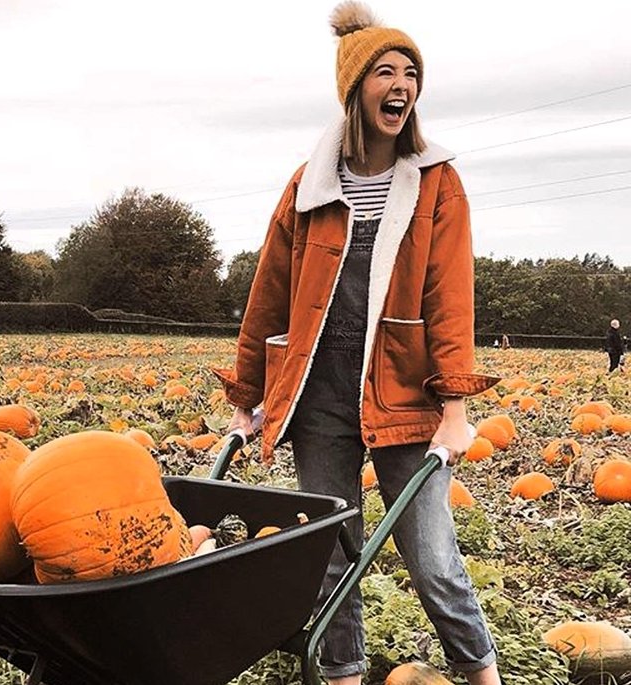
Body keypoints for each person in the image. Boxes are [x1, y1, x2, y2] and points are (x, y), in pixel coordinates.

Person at [213, 3, 503, 684]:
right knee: (330, 551)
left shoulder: (437, 182)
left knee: (432, 555)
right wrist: (246, 397)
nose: (402, 84)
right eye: (385, 71)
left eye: (410, 73)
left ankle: (481, 671)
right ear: (354, 89)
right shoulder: (308, 186)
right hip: (320, 390)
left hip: (405, 388)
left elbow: (449, 302)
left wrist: (455, 406)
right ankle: (341, 672)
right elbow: (269, 298)